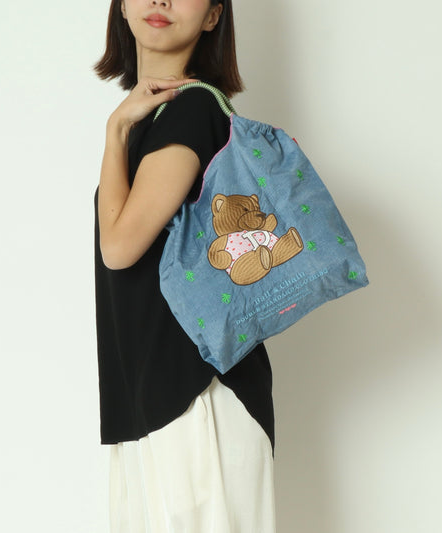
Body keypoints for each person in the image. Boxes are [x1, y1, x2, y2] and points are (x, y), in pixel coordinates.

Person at [92, 1, 276, 531]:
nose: (161, 0)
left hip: (199, 398)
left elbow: (118, 247)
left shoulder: (191, 110)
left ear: (214, 15)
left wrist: (114, 130)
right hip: (156, 397)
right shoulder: (152, 119)